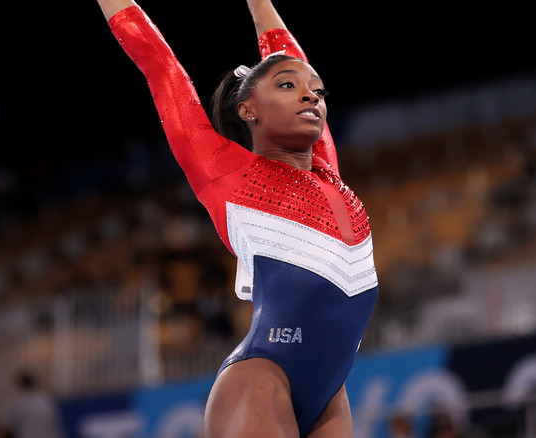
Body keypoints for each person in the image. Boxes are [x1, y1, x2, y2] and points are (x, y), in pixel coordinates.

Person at [94, 1, 379, 437]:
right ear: (249, 111)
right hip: (262, 379)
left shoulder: (328, 171)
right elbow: (160, 65)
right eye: (288, 86)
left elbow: (288, 52)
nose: (311, 96)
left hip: (330, 394)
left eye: (317, 90)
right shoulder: (226, 171)